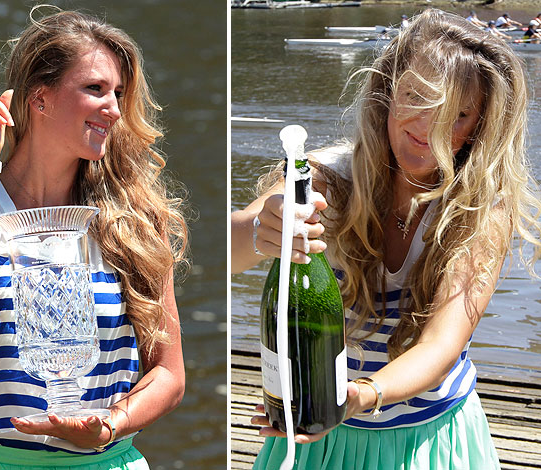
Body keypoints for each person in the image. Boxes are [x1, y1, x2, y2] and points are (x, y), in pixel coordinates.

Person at [231, 9, 541, 470]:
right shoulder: (323, 178)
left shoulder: (482, 208)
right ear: (386, 92)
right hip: (318, 440)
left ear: (479, 126)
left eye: (455, 114)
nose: (426, 128)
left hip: (430, 439)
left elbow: (440, 345)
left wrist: (358, 397)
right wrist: (263, 231)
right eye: (416, 97)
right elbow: (229, 248)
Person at [0, 6, 188, 470]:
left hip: (108, 462)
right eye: (95, 89)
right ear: (39, 99)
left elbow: (168, 373)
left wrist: (109, 425)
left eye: (119, 93)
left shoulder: (134, 221)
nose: (115, 108)